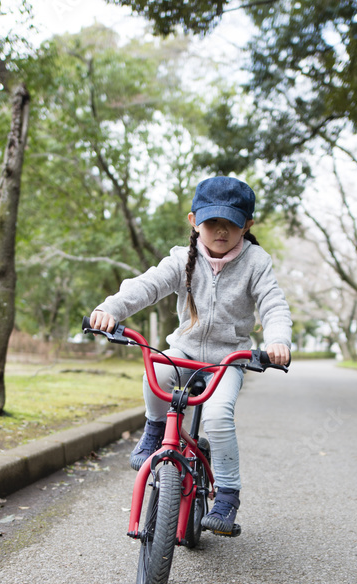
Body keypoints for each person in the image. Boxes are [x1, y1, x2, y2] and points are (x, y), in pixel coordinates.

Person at [89, 176, 292, 536]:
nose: (221, 230)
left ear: (248, 224)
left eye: (231, 222)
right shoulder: (182, 258)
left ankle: (228, 493)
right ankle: (154, 429)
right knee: (157, 371)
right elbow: (146, 285)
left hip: (229, 358)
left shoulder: (256, 262)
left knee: (216, 416)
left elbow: (273, 303)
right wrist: (111, 310)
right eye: (212, 221)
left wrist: (278, 341)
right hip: (184, 349)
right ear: (193, 220)